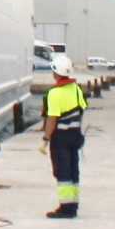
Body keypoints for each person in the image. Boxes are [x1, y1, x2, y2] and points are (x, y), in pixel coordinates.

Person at [41, 57, 88, 219]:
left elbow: (52, 119)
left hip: (60, 138)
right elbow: (81, 110)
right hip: (75, 136)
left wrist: (46, 138)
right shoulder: (76, 89)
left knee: (62, 171)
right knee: (74, 170)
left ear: (55, 73)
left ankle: (66, 208)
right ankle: (73, 204)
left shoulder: (54, 93)